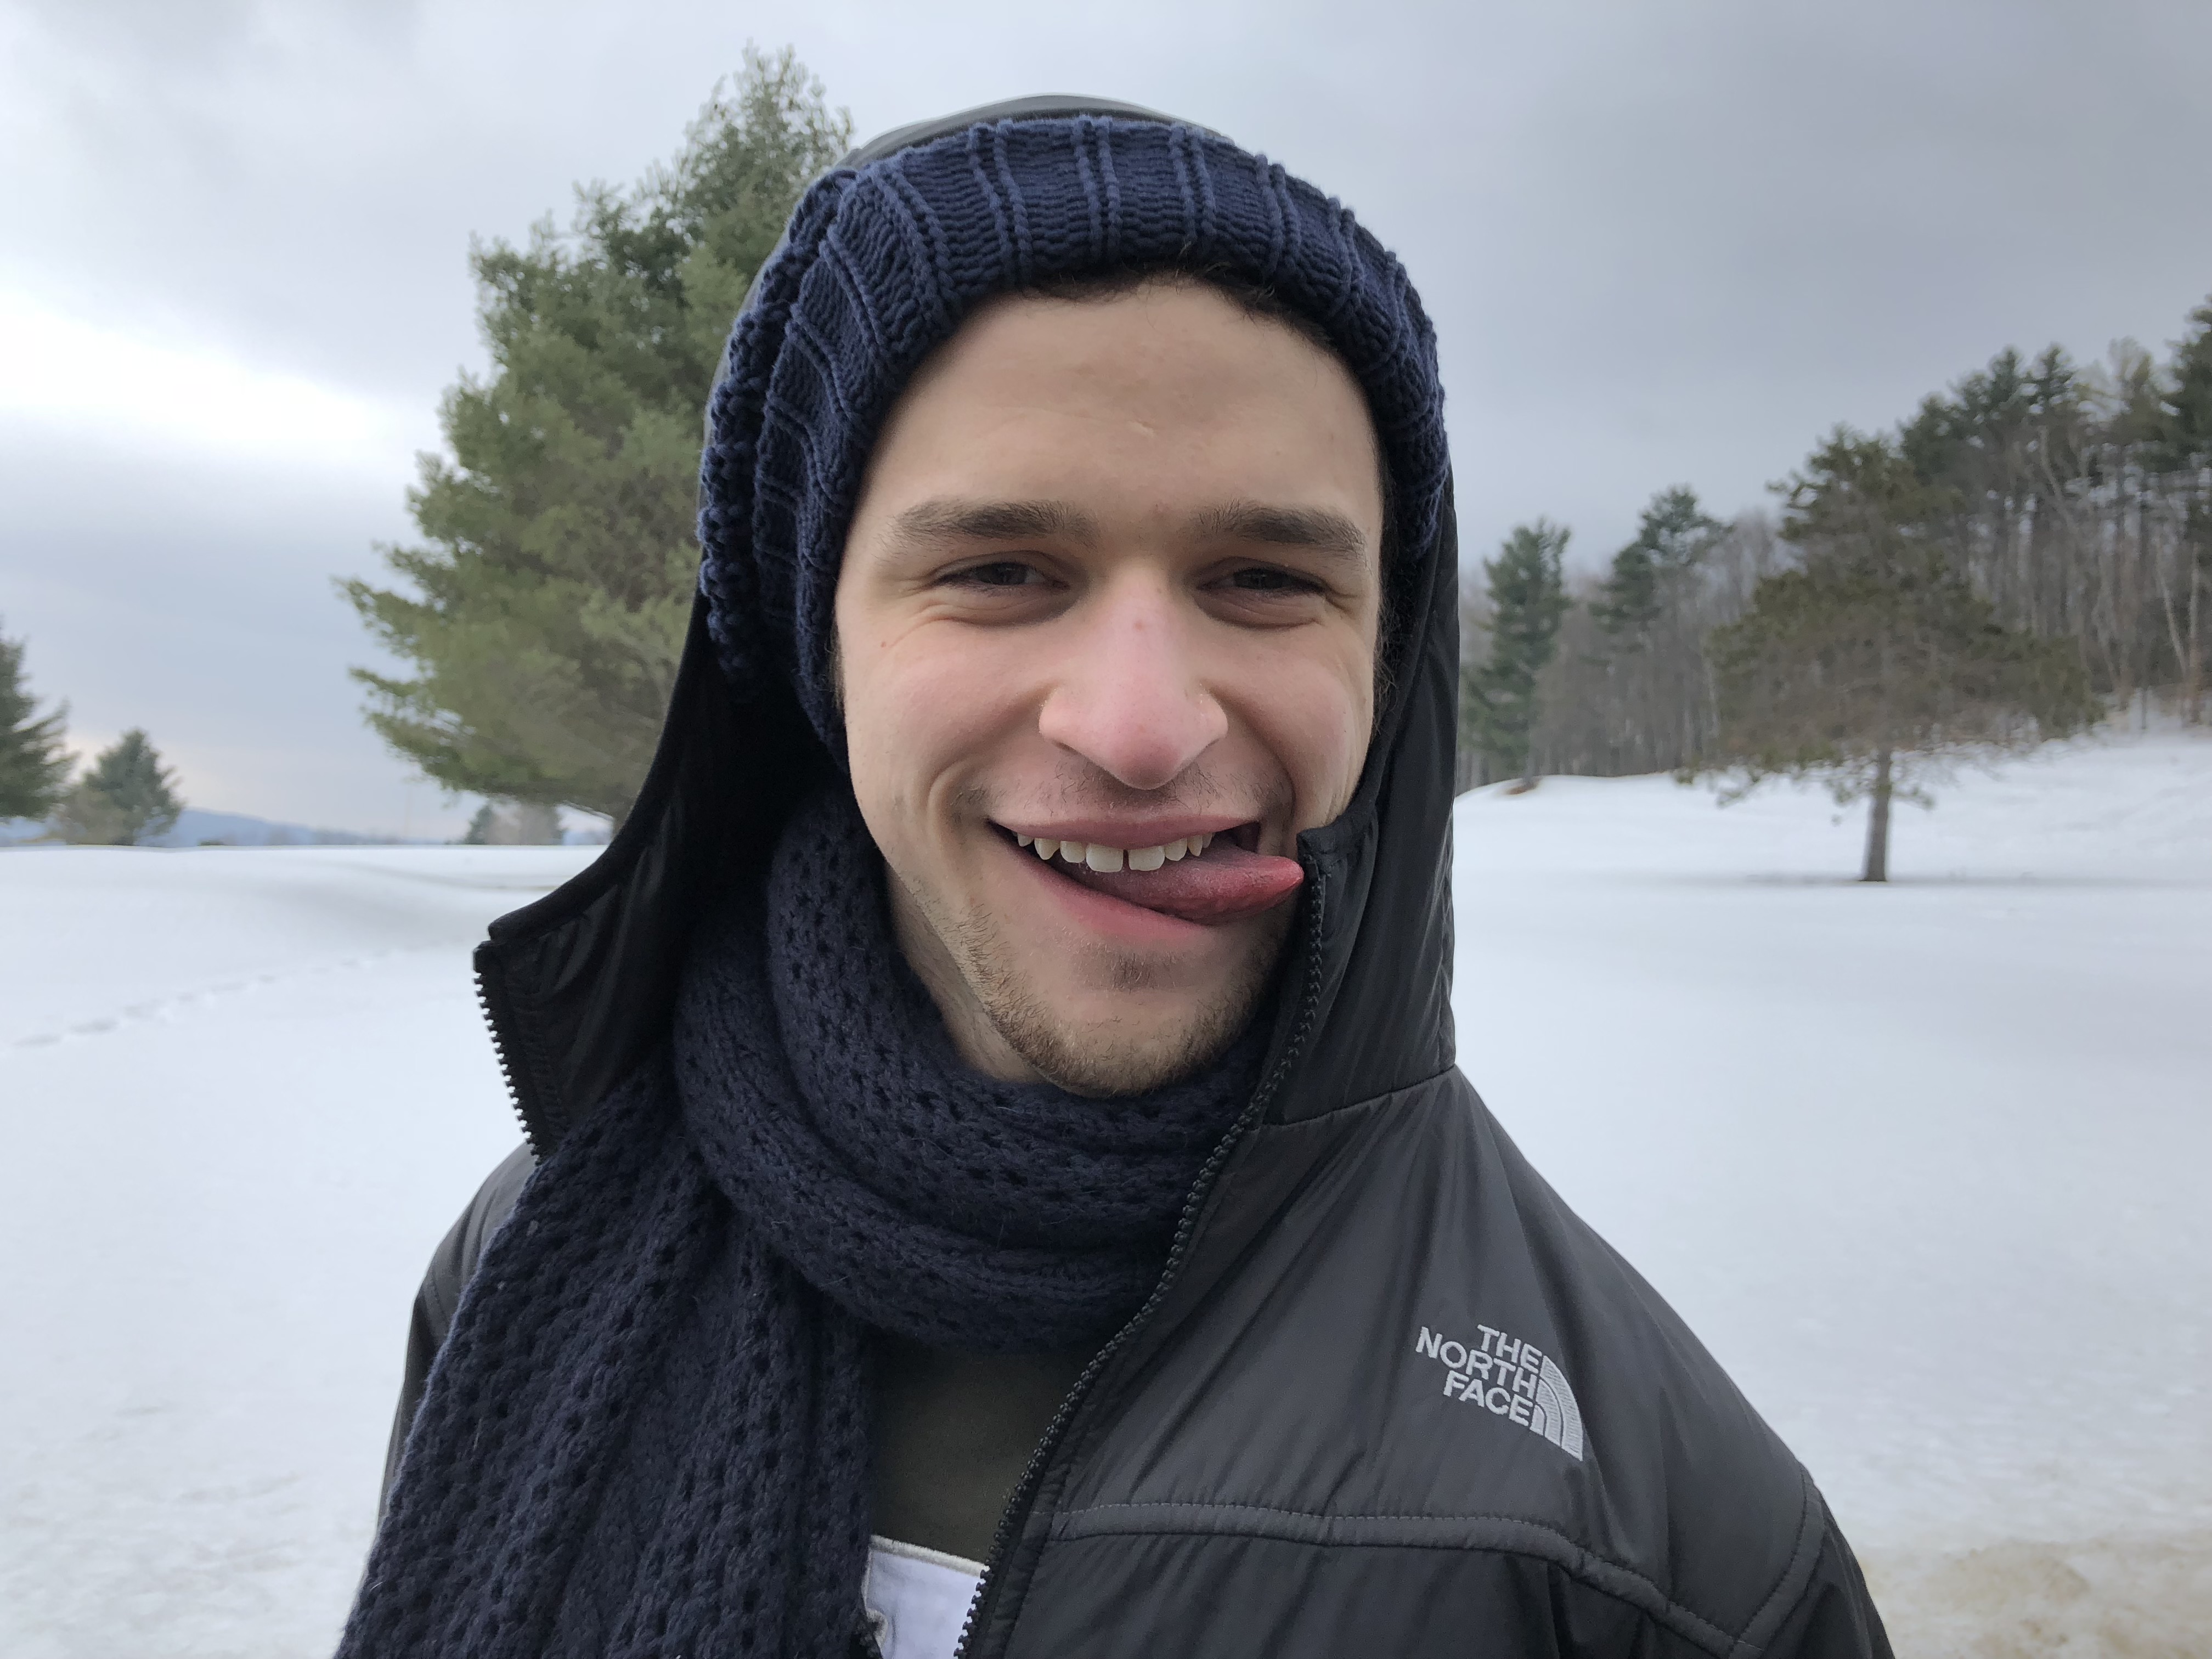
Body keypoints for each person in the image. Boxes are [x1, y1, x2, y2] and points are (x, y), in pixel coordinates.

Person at [342, 98, 1892, 1659]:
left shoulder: (1652, 1541)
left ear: (1383, 653)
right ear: (819, 650)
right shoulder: (530, 1268)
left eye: (1265, 580)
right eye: (1000, 572)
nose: (1142, 729)